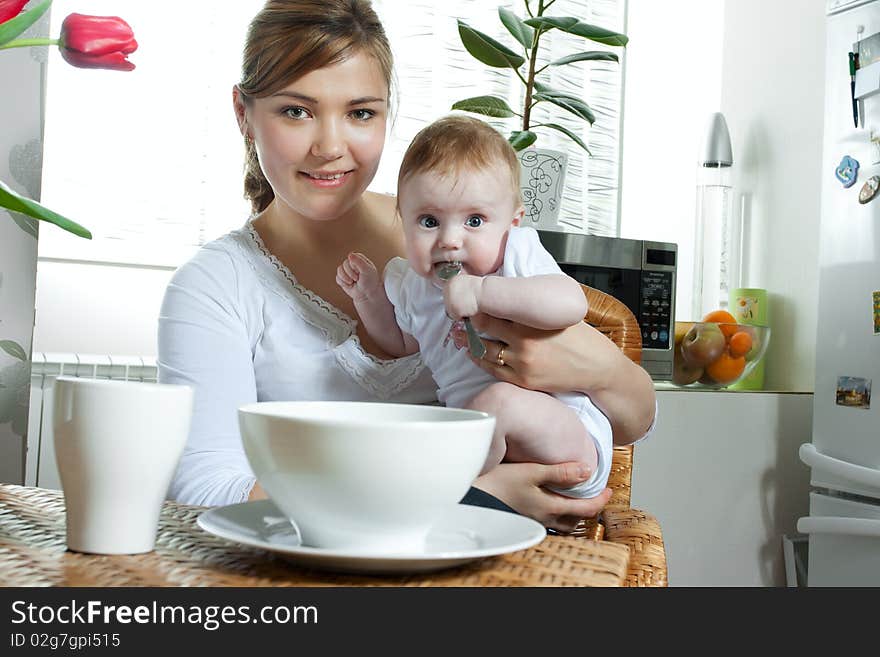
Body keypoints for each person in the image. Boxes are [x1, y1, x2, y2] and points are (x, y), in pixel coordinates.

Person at [157, 0, 657, 533]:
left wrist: (596, 368)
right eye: (296, 111)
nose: (329, 147)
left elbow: (635, 419)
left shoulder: (465, 237)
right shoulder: (216, 287)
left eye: (360, 112)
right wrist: (469, 496)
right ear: (243, 115)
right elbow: (203, 494)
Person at [336, 115, 610, 499]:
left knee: (496, 404)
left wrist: (485, 293)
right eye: (429, 221)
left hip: (565, 433)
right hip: (486, 443)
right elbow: (403, 344)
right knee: (424, 432)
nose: (450, 240)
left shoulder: (514, 256)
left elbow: (570, 303)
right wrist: (368, 298)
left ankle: (446, 490)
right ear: (403, 219)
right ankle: (456, 489)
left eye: (475, 220)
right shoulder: (413, 286)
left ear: (511, 222)